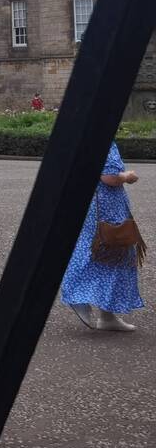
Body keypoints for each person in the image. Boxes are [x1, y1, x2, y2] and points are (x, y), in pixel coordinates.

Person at [62, 141, 145, 332]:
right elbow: (109, 177)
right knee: (110, 250)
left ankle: (107, 314)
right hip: (107, 208)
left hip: (100, 204)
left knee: (106, 252)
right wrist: (127, 176)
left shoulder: (92, 138)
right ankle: (79, 297)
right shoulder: (104, 140)